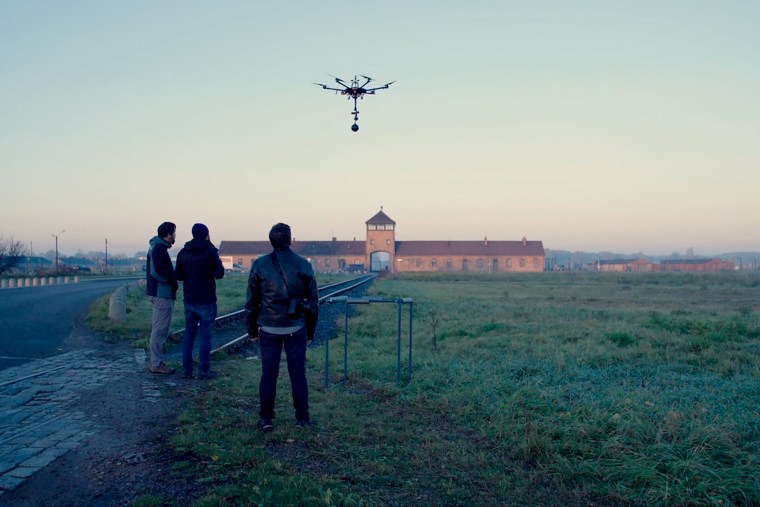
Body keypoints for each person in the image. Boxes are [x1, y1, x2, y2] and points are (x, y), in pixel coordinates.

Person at [245, 223, 319, 432]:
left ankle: (266, 419)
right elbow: (314, 304)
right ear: (290, 239)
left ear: (271, 241)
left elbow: (251, 302)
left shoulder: (260, 265)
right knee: (298, 374)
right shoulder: (304, 264)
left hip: (269, 327)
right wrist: (310, 332)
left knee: (268, 374)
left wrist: (252, 331)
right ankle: (303, 418)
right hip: (296, 327)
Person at [175, 223, 225, 379]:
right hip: (207, 299)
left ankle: (186, 369)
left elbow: (179, 275)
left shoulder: (183, 252)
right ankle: (204, 370)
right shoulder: (210, 251)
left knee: (189, 334)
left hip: (189, 298)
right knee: (205, 335)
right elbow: (219, 274)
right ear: (206, 234)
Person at [146, 221, 178, 374]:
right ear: (168, 234)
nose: (175, 236)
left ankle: (156, 361)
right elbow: (156, 272)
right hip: (162, 293)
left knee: (159, 329)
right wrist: (170, 281)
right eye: (174, 233)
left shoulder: (158, 247)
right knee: (160, 330)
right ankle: (156, 363)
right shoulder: (159, 249)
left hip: (160, 292)